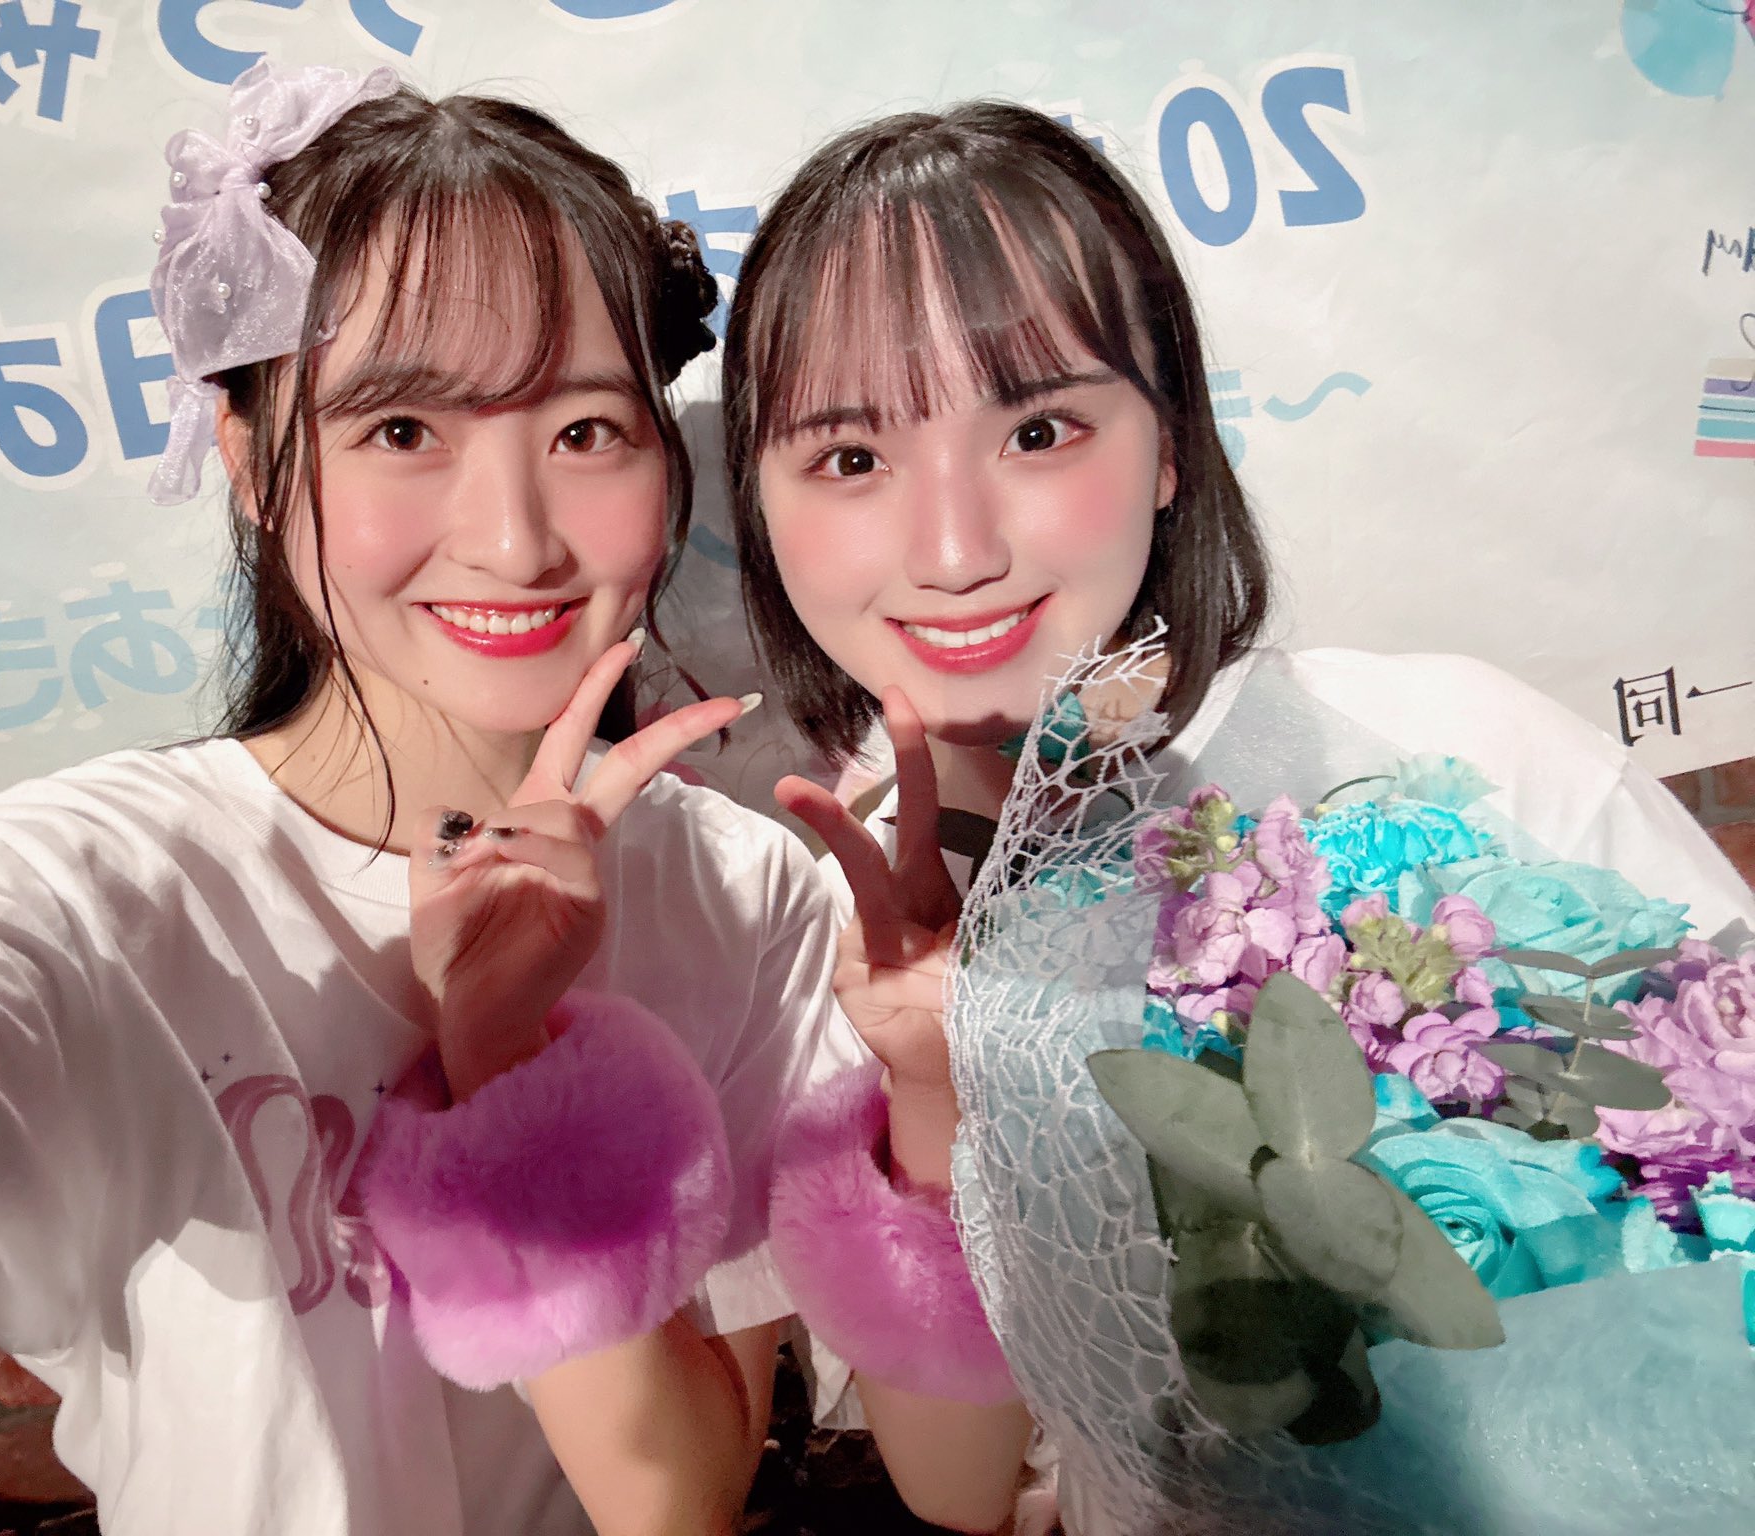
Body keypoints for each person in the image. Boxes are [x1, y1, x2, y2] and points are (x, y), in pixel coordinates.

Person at [0, 62, 861, 1536]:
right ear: (253, 463)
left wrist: (509, 1065)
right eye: (401, 431)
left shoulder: (747, 895)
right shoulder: (90, 898)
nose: (517, 542)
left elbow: (677, 1500)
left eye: (586, 432)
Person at [721, 100, 1755, 1533]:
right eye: (851, 460)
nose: (953, 550)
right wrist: (931, 1094)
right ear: (763, 506)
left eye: (1039, 431)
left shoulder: (1463, 747)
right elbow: (959, 1494)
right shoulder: (821, 932)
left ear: (1169, 447)